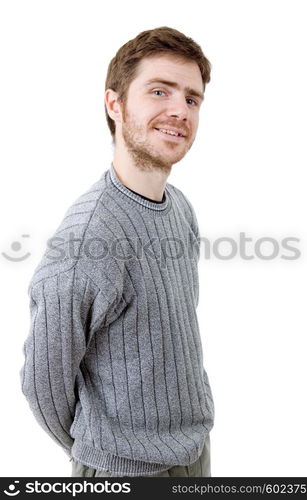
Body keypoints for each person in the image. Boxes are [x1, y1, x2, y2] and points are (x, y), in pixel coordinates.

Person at [19, 26, 215, 478]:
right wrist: (104, 451)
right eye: (159, 91)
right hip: (123, 473)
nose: (178, 110)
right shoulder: (88, 239)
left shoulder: (180, 208)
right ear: (114, 104)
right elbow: (42, 385)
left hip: (194, 452)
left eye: (191, 98)